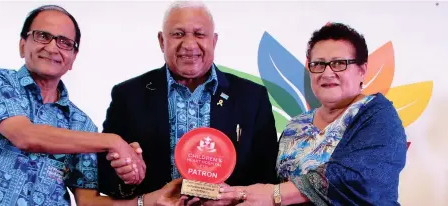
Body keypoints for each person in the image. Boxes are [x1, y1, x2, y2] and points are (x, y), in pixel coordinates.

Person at [77, 1, 279, 205]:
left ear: (214, 41)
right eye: (178, 34)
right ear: (161, 41)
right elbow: (105, 176)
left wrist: (235, 196)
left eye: (199, 34)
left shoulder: (252, 97)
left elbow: (268, 178)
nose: (190, 45)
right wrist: (127, 177)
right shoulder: (128, 95)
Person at [0, 5, 145, 206]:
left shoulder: (81, 124)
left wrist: (146, 200)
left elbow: (89, 202)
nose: (52, 48)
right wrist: (113, 141)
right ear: (22, 45)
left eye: (64, 42)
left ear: (73, 58)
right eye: (42, 36)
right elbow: (25, 136)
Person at [219, 23, 408, 205]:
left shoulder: (378, 115)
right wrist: (233, 195)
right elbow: (269, 181)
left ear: (362, 70)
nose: (327, 73)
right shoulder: (297, 125)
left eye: (339, 63)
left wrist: (275, 194)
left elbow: (357, 180)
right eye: (318, 64)